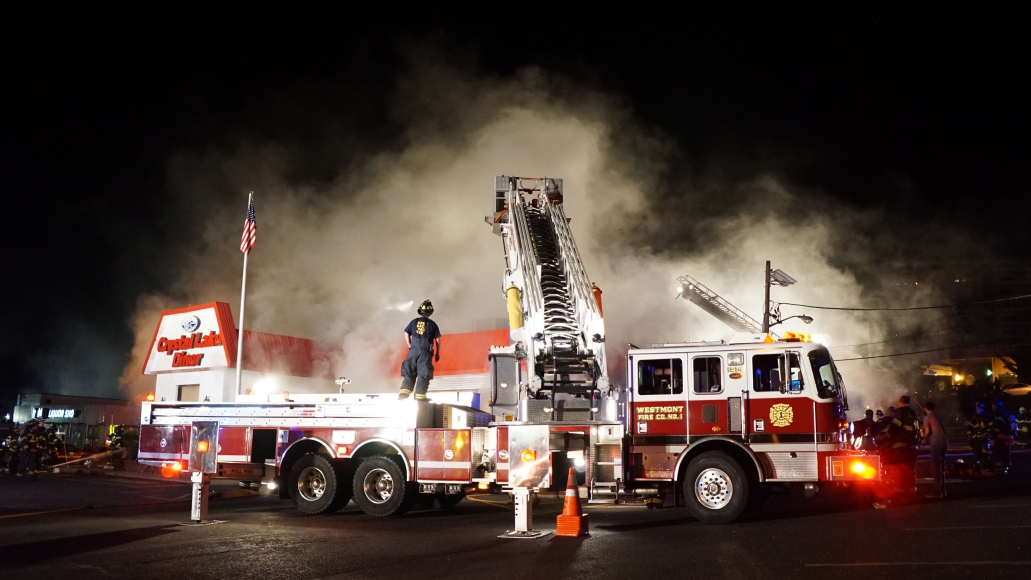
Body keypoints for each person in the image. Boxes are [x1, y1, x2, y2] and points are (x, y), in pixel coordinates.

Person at [873, 397, 918, 509]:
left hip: (901, 447)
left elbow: (894, 428)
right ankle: (911, 495)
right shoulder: (912, 412)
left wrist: (883, 436)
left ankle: (896, 498)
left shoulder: (899, 412)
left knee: (898, 472)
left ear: (900, 402)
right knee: (910, 472)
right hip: (912, 447)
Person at [398, 300, 442, 401]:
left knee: (409, 371)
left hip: (413, 351)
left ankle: (403, 394)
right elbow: (438, 340)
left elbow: (406, 333)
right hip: (425, 352)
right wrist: (437, 353)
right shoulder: (432, 324)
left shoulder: (413, 322)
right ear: (430, 312)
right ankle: (420, 397)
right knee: (424, 372)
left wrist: (410, 345)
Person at [922, 401, 948, 498]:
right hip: (944, 442)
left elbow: (927, 431)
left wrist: (923, 439)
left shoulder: (927, 418)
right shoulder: (938, 417)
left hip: (936, 443)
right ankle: (943, 491)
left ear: (926, 408)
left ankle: (936, 492)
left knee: (935, 468)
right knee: (941, 468)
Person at [989, 400, 1014, 472]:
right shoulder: (1005, 412)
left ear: (997, 406)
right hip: (1006, 434)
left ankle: (999, 466)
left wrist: (992, 434)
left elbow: (997, 426)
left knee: (997, 450)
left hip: (1000, 436)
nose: (993, 407)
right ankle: (1006, 465)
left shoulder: (998, 413)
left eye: (994, 405)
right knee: (1005, 451)